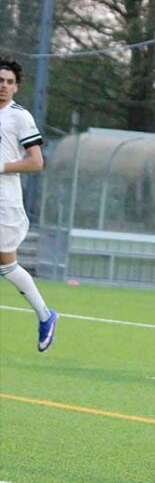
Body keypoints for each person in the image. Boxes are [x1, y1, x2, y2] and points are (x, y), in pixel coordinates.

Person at [0, 57, 57, 352]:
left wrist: (2, 165)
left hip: (4, 203)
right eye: (0, 81)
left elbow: (36, 162)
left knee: (6, 265)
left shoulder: (19, 117)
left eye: (9, 82)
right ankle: (46, 316)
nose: (4, 86)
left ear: (16, 87)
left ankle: (46, 315)